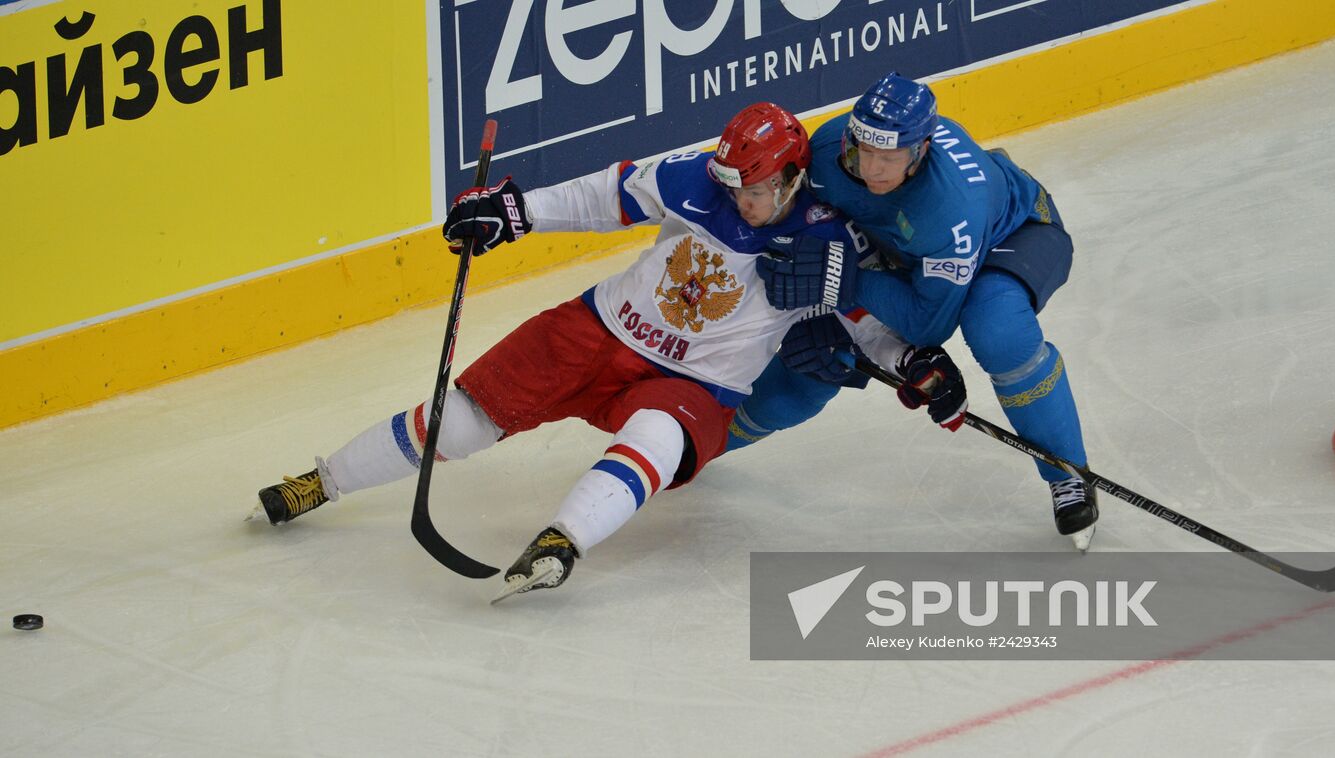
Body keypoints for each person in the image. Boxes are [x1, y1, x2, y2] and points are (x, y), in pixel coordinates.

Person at [250, 102, 874, 601]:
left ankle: (560, 543)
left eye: (757, 190)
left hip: (698, 382)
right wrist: (513, 211)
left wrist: (913, 366)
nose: (742, 201)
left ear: (794, 177)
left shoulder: (829, 241)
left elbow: (867, 318)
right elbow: (606, 197)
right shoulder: (694, 179)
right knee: (464, 422)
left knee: (658, 436)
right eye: (733, 186)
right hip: (600, 329)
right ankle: (321, 482)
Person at [731, 72, 1097, 547]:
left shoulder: (949, 207)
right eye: (866, 153)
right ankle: (693, 444)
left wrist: (846, 280)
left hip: (1011, 236)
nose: (874, 170)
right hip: (905, 252)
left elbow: (928, 324)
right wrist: (825, 307)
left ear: (922, 150)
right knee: (819, 356)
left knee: (997, 329)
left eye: (891, 158)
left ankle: (1067, 474)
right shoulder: (826, 151)